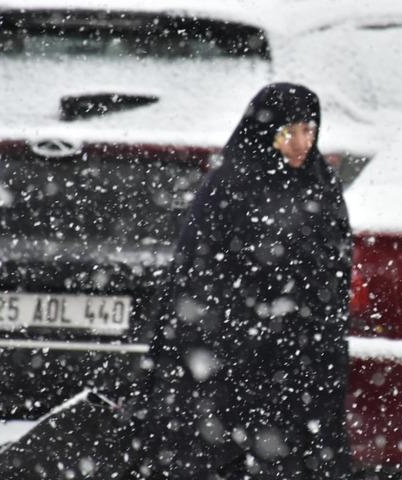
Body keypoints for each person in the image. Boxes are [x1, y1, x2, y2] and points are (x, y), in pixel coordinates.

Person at [143, 83, 353, 479]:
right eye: (288, 132)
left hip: (301, 351)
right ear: (265, 132)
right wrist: (247, 320)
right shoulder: (231, 186)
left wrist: (310, 317)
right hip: (236, 350)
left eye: (309, 130)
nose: (301, 143)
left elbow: (336, 264)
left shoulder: (320, 184)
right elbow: (198, 270)